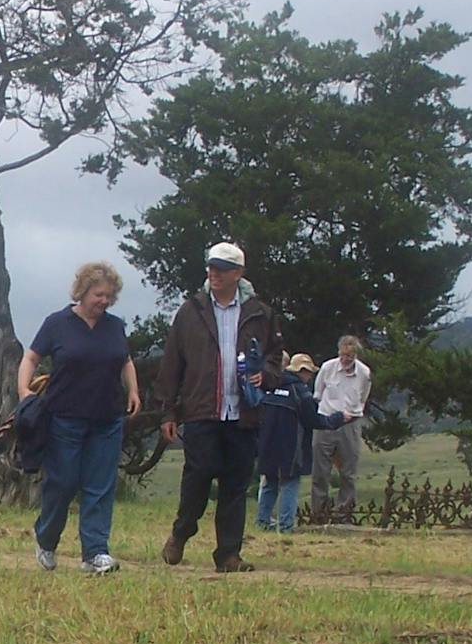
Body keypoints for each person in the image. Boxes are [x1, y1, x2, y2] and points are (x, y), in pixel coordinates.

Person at [156, 242, 284, 572]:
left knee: (236, 484)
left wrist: (265, 376)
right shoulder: (191, 311)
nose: (213, 273)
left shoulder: (260, 313)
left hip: (243, 413)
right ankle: (182, 531)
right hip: (201, 410)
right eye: (210, 267)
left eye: (221, 268)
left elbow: (274, 357)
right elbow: (172, 363)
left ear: (238, 274)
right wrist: (168, 411)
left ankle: (228, 554)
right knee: (197, 477)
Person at [19, 261, 141, 575]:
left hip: (107, 418)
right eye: (99, 294)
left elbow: (125, 360)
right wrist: (23, 390)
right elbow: (31, 356)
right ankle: (46, 539)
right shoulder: (56, 323)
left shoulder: (114, 326)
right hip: (64, 418)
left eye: (109, 296)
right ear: (83, 292)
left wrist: (133, 391)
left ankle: (95, 553)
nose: (104, 301)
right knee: (62, 483)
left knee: (100, 486)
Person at [256, 353, 353, 533]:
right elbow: (313, 420)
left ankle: (262, 522)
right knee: (290, 484)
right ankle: (286, 526)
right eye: (309, 372)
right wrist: (338, 418)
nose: (310, 376)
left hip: (267, 445)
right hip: (291, 446)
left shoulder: (271, 386)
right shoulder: (300, 392)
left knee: (270, 482)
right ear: (302, 371)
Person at [310, 335, 372, 521]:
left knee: (348, 472)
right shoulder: (328, 368)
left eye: (350, 356)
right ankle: (319, 513)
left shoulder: (364, 373)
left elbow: (363, 398)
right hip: (326, 421)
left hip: (350, 423)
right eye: (343, 355)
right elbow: (318, 393)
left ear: (356, 356)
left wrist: (350, 413)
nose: (345, 359)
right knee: (320, 470)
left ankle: (343, 513)